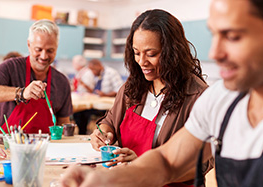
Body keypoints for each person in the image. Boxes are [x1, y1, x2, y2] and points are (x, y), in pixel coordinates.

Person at [60, 0, 263, 186]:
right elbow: (167, 161)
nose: (214, 53)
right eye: (214, 35)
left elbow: (195, 167)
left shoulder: (199, 95)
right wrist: (108, 180)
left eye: (233, 36)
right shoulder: (220, 100)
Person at [73, 9, 211, 186]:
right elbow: (110, 121)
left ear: (173, 52)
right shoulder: (133, 86)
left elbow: (200, 165)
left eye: (151, 54)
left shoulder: (198, 96)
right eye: (137, 53)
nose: (142, 62)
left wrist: (143, 166)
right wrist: (103, 133)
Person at [0, 19, 73, 134]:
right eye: (39, 49)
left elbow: (63, 122)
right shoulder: (10, 67)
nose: (44, 56)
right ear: (29, 45)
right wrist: (22, 93)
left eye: (50, 50)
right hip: (8, 147)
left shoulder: (62, 82)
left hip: (46, 148)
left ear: (56, 47)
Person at [73, 58, 124, 135]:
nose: (92, 73)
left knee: (87, 114)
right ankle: (82, 133)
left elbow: (120, 91)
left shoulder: (111, 73)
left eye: (93, 69)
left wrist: (105, 94)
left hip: (107, 106)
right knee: (79, 113)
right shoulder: (98, 75)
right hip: (97, 103)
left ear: (98, 66)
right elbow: (95, 91)